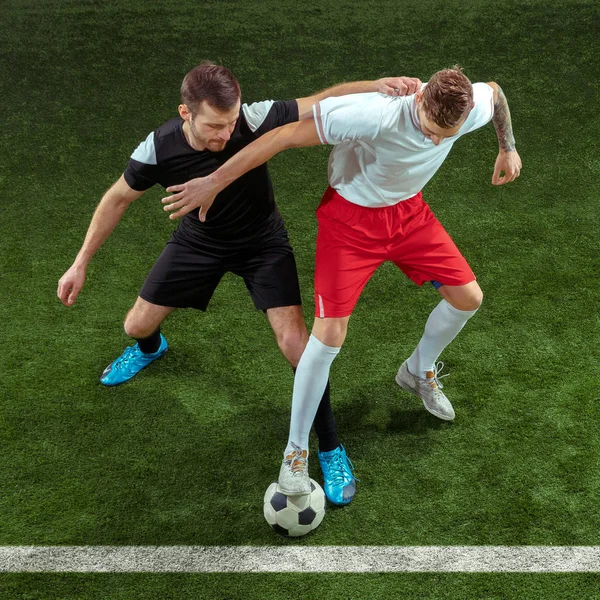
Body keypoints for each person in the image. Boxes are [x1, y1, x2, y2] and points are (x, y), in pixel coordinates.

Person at [57, 61, 421, 504]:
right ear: (186, 113)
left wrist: (374, 85)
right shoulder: (159, 147)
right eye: (214, 126)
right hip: (198, 243)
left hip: (263, 244)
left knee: (296, 345)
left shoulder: (250, 118)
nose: (225, 136)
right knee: (135, 326)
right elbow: (117, 199)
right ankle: (152, 349)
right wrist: (80, 263)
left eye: (230, 124)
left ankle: (330, 447)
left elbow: (319, 101)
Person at [160, 66, 522, 494]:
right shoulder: (371, 114)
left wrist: (507, 148)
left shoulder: (468, 105)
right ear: (420, 101)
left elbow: (496, 94)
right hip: (349, 223)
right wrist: (214, 182)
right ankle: (296, 453)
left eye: (449, 135)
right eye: (431, 131)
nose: (437, 140)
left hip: (409, 215)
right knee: (328, 336)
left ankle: (417, 370)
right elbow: (282, 136)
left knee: (468, 298)